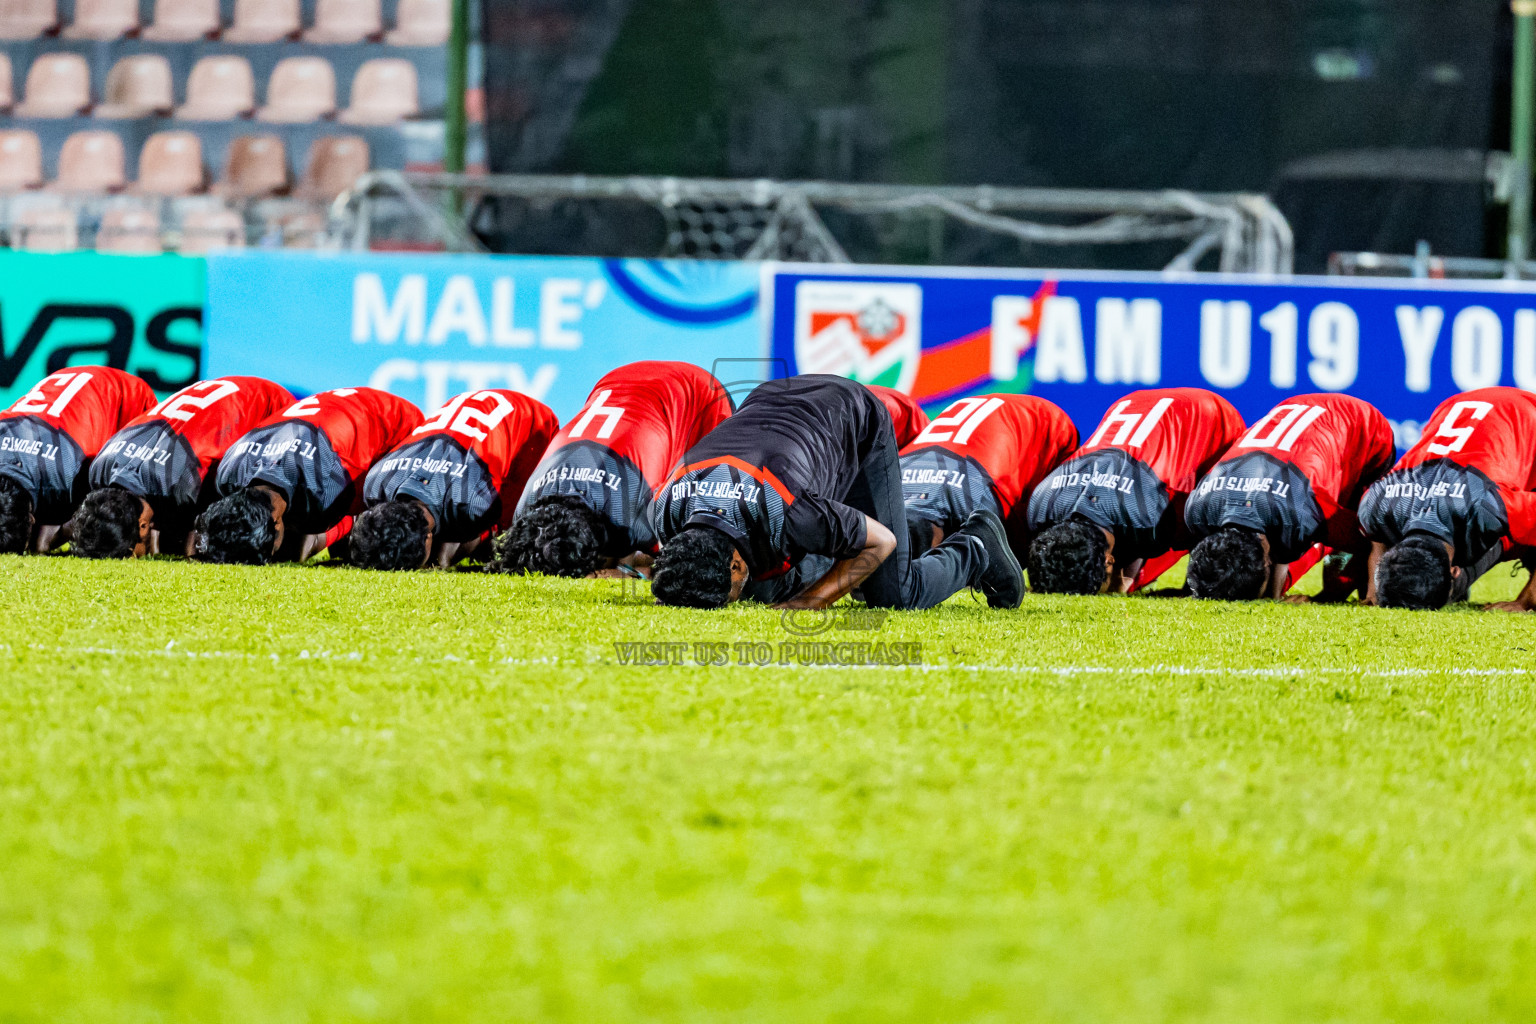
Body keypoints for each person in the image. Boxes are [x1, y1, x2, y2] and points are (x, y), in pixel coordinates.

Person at [649, 374, 1023, 610]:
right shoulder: (665, 508)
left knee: (894, 594)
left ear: (735, 564)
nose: (732, 603)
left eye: (727, 597)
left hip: (854, 419)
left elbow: (881, 542)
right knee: (763, 590)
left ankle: (975, 546)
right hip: (772, 399)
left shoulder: (790, 513)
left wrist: (812, 600)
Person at [494, 361, 733, 578]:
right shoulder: (527, 508)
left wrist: (620, 572)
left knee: (709, 516)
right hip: (616, 380)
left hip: (696, 392)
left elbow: (673, 561)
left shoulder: (632, 522)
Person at [1027, 387, 1245, 595]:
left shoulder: (1151, 516)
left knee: (1203, 514)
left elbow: (1158, 535)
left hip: (1210, 416)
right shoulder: (1041, 503)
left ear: (1109, 561)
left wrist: (1194, 588)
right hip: (1133, 403)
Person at [1183, 393, 1395, 601]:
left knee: (1362, 534)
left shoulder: (1301, 511)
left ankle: (1346, 594)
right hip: (1297, 410)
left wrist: (1373, 593)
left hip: (1362, 425)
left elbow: (1377, 536)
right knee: (1294, 531)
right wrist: (1274, 596)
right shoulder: (1198, 509)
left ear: (1267, 561)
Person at [70, 376, 295, 559]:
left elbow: (202, 532)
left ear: (142, 526)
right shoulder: (101, 466)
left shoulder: (184, 484)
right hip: (226, 395)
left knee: (271, 534)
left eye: (130, 554)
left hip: (272, 406)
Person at [195, 387, 423, 565]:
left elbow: (357, 522)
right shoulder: (229, 473)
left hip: (398, 422)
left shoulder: (327, 486)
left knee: (324, 545)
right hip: (334, 415)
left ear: (277, 523)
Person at [1359, 387, 1536, 611]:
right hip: (1454, 405)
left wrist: (1527, 600)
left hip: (1527, 412)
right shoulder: (1375, 504)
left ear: (1455, 570)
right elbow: (1378, 539)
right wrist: (1375, 593)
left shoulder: (1488, 506)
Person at [350, 389, 559, 570]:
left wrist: (442, 559)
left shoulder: (474, 503)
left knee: (510, 528)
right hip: (471, 413)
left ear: (428, 539)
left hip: (531, 422)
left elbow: (467, 529)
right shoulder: (377, 483)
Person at [900, 393, 1079, 560]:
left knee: (1019, 544)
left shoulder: (977, 499)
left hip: (1046, 422)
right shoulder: (885, 487)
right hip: (979, 426)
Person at [0, 367, 156, 555]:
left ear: (31, 520)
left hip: (128, 396)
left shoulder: (71, 472)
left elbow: (95, 516)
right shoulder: (60, 471)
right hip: (65, 383)